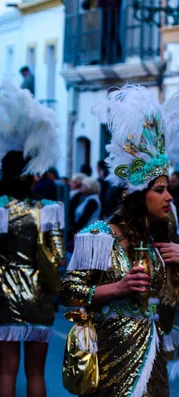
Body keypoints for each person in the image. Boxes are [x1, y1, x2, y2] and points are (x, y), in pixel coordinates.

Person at [61, 85, 179, 397]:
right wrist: (118, 289)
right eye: (160, 189)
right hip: (111, 355)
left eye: (168, 188)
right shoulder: (99, 235)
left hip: (153, 355)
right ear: (139, 195)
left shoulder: (160, 238)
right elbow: (70, 292)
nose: (169, 196)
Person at [0, 82, 65, 397]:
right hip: (39, 296)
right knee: (36, 372)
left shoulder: (0, 210)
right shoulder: (49, 211)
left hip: (4, 295)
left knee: (6, 370)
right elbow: (59, 258)